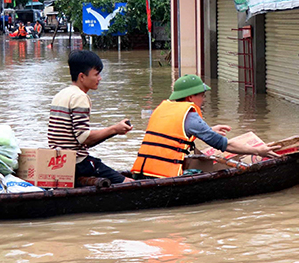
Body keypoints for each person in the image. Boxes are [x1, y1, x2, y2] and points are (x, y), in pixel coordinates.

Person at [131, 74, 280, 179]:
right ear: (190, 97)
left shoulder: (163, 109)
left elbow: (175, 135)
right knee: (199, 172)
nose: (203, 99)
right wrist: (258, 150)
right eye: (202, 95)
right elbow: (225, 145)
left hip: (142, 171)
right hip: (165, 176)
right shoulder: (190, 116)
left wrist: (210, 130)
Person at [48, 50, 134, 184]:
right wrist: (114, 129)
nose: (100, 78)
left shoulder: (60, 95)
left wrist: (114, 131)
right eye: (97, 74)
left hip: (59, 161)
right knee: (128, 182)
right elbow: (84, 138)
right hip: (78, 163)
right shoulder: (80, 97)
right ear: (82, 77)